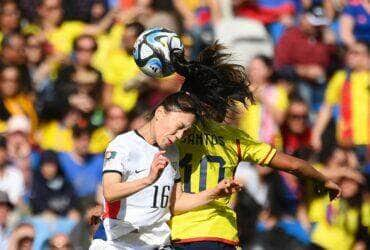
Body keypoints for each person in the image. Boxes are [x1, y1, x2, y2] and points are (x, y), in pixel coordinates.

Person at [91, 43, 341, 249]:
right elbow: (294, 165)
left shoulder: (175, 136)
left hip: (181, 234)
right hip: (222, 234)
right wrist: (324, 180)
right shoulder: (235, 140)